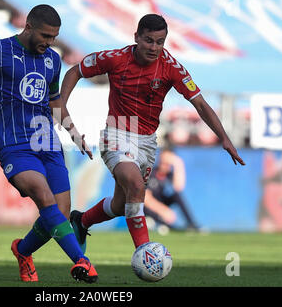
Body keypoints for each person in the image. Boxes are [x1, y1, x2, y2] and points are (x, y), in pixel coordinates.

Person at [60, 14, 245, 252]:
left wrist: (225, 138)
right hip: (116, 133)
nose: (154, 47)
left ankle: (81, 221)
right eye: (148, 40)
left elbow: (199, 103)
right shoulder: (116, 59)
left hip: (147, 142)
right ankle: (146, 253)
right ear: (136, 36)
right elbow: (75, 70)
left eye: (160, 42)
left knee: (120, 205)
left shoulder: (171, 67)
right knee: (136, 186)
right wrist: (62, 104)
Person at [0, 4, 98, 283]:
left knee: (59, 213)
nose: (50, 43)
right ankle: (82, 261)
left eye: (54, 37)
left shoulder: (52, 60)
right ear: (28, 27)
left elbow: (54, 102)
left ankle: (23, 251)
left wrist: (74, 133)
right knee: (43, 196)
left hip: (47, 142)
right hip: (13, 144)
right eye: (46, 36)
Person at [144, 145, 201, 234]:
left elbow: (178, 188)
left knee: (176, 195)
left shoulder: (169, 174)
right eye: (163, 160)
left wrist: (178, 164)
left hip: (161, 203)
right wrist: (163, 210)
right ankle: (166, 226)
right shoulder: (151, 172)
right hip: (148, 207)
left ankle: (191, 224)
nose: (165, 164)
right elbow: (146, 199)